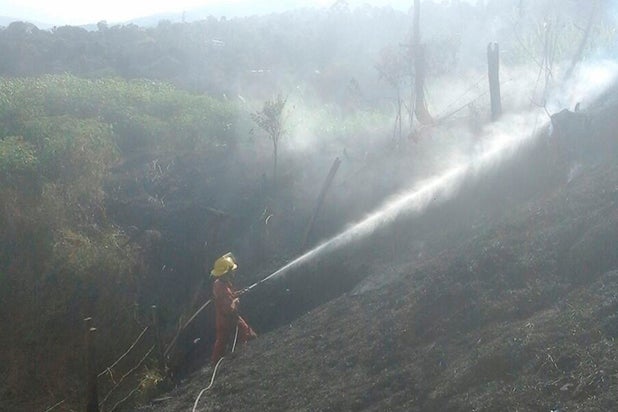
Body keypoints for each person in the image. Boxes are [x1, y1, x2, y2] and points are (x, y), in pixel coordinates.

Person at [210, 252, 257, 365]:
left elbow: (227, 297)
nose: (234, 272)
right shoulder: (223, 288)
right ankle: (241, 355)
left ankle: (216, 361)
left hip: (223, 319)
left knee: (223, 340)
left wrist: (237, 293)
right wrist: (236, 301)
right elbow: (229, 308)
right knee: (229, 337)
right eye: (232, 271)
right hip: (227, 319)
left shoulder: (220, 283)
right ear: (226, 273)